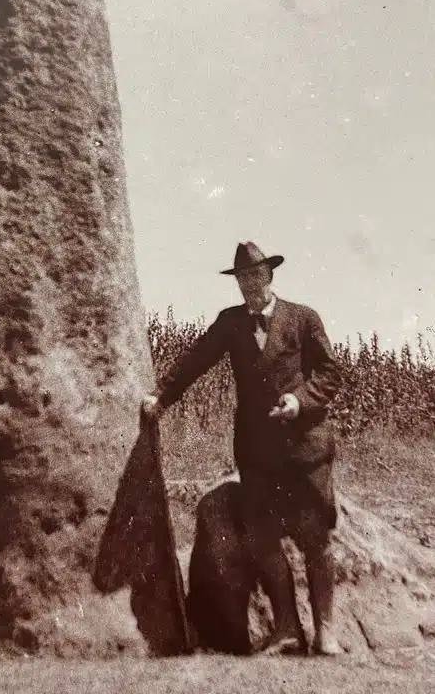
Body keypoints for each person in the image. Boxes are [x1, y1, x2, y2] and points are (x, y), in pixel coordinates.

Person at [141, 241, 342, 656]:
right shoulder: (230, 323)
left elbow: (328, 372)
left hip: (306, 447)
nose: (250, 285)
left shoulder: (303, 319)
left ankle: (327, 631)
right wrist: (162, 397)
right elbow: (195, 361)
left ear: (270, 276)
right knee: (263, 537)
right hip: (257, 452)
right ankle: (287, 627)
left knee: (315, 537)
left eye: (256, 276)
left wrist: (299, 401)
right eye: (242, 279)